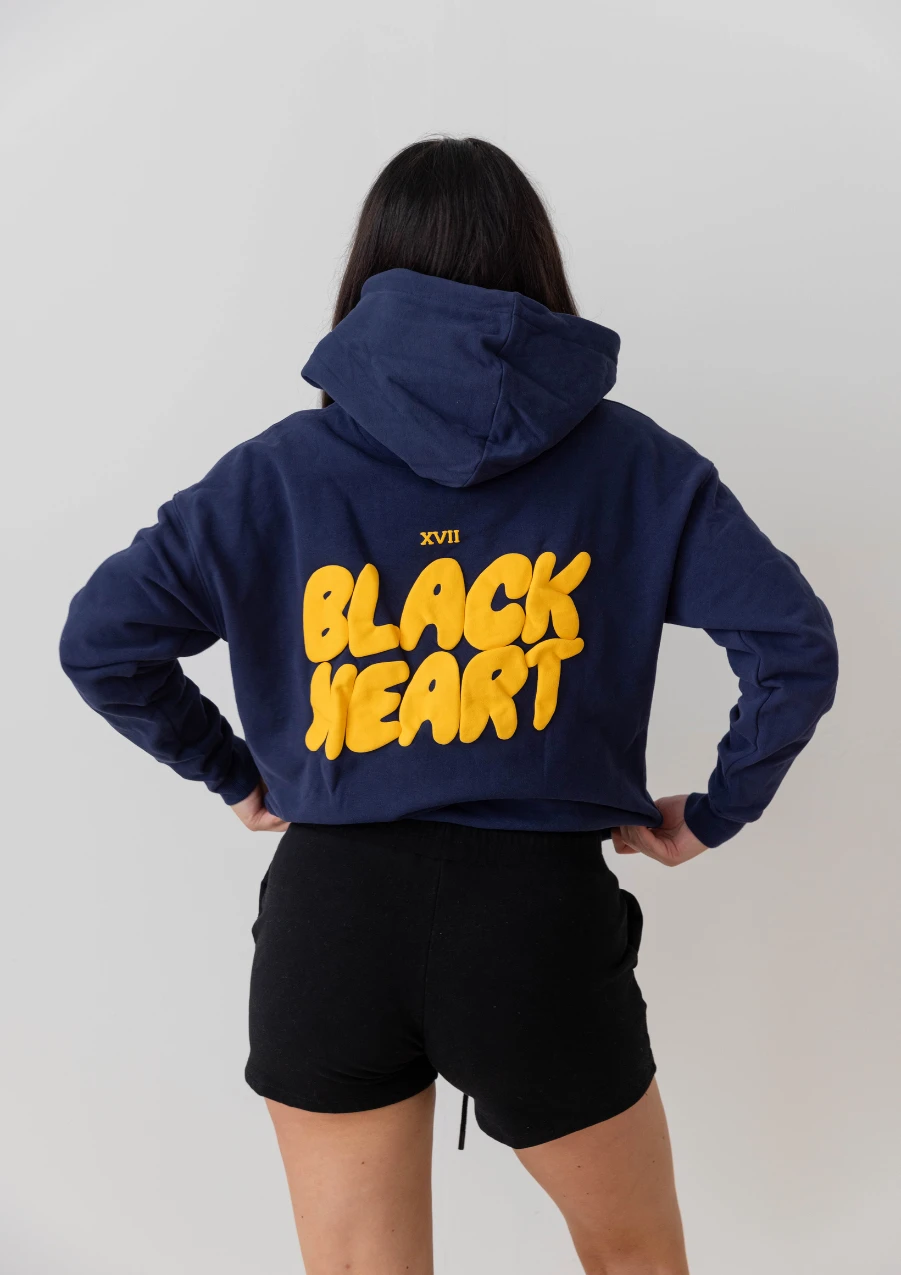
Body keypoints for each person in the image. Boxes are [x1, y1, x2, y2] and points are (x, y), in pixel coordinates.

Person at [59, 136, 838, 1275]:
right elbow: (792, 646)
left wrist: (236, 773)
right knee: (637, 1258)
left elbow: (102, 641)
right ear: (536, 269)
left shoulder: (274, 473)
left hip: (330, 919)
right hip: (533, 921)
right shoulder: (633, 464)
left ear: (368, 277)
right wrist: (714, 813)